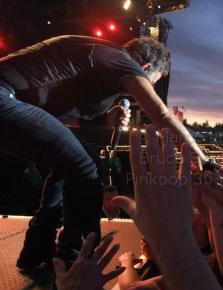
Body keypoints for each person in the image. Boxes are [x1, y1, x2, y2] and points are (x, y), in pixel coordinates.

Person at [0, 34, 207, 270]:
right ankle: (75, 270)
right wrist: (205, 161)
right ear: (145, 67)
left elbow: (62, 113)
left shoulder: (103, 66)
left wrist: (108, 116)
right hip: (4, 96)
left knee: (73, 164)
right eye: (151, 81)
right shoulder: (118, 58)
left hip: (10, 99)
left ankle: (36, 251)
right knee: (84, 167)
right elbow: (161, 115)